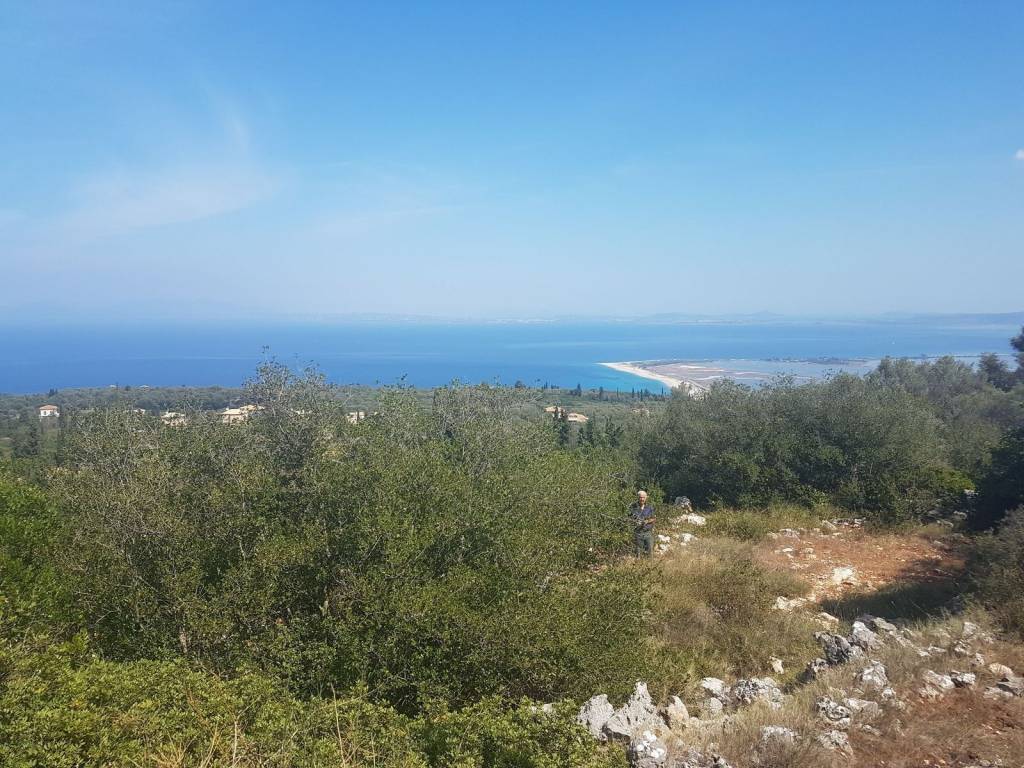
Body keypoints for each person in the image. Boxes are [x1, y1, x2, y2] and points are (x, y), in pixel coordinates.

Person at [630, 490, 656, 557]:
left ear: (646, 498)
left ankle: (650, 563)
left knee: (650, 552)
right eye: (640, 497)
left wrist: (647, 521)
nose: (642, 499)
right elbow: (629, 518)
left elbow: (653, 518)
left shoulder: (650, 507)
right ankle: (639, 563)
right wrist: (634, 521)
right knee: (638, 553)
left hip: (648, 533)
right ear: (638, 497)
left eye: (643, 497)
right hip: (638, 533)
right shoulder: (633, 507)